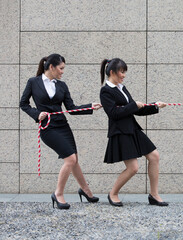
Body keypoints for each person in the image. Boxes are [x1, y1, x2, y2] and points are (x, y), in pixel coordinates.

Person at [20, 53, 102, 209]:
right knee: (70, 159)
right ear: (51, 67)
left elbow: (71, 109)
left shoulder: (62, 85)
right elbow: (23, 104)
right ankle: (58, 194)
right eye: (61, 68)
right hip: (48, 128)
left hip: (63, 126)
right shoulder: (33, 82)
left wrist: (90, 106)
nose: (63, 72)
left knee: (74, 159)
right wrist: (37, 114)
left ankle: (85, 190)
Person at [99, 58, 168, 207]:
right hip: (120, 132)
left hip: (133, 128)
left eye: (124, 72)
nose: (124, 75)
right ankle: (113, 194)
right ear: (112, 72)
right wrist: (133, 105)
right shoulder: (105, 91)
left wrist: (155, 106)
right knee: (133, 168)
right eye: (122, 72)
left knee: (154, 156)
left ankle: (154, 195)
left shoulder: (122, 88)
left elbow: (137, 110)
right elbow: (113, 113)